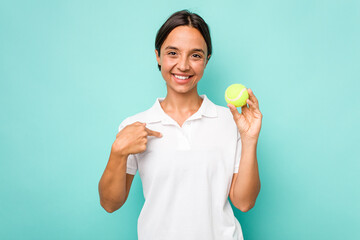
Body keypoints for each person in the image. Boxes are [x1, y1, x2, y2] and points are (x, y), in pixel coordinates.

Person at [98, 9, 262, 240]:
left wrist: (250, 139)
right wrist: (117, 153)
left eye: (195, 55)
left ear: (207, 60)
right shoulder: (134, 126)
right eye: (172, 53)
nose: (183, 65)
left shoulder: (231, 121)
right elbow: (109, 204)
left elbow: (244, 203)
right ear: (158, 56)